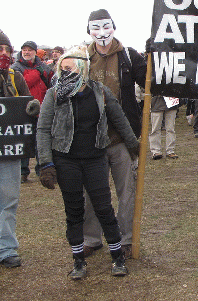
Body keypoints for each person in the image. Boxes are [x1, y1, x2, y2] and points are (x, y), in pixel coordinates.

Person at [37, 46, 139, 279]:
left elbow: (119, 119)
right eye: (61, 69)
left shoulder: (100, 92)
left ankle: (117, 258)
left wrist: (134, 146)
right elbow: (43, 129)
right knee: (74, 210)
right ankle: (78, 262)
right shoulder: (54, 95)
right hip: (65, 160)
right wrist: (46, 164)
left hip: (94, 158)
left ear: (82, 68)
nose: (64, 73)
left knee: (104, 208)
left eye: (69, 68)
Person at [83, 9, 146, 259]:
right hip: (90, 139)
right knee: (91, 192)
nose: (101, 32)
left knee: (128, 192)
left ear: (114, 27)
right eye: (95, 28)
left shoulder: (128, 56)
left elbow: (148, 80)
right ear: (88, 30)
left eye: (105, 26)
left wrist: (153, 56)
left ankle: (127, 239)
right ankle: (91, 238)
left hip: (123, 137)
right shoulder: (82, 58)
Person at [0, 31, 38, 269]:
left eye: (6, 49)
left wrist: (33, 107)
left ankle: (6, 247)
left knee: (8, 199)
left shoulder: (15, 75)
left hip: (9, 149)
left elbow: (27, 102)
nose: (3, 54)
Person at [11, 40, 54, 183]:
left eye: (29, 50)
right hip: (22, 109)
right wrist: (37, 73)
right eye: (24, 49)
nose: (26, 52)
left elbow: (51, 82)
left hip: (42, 108)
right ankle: (23, 172)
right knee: (22, 140)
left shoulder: (43, 66)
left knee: (40, 141)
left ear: (35, 52)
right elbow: (25, 83)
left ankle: (41, 169)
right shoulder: (16, 67)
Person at [149, 95, 179, 160]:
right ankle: (156, 151)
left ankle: (170, 151)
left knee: (170, 129)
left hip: (172, 103)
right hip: (156, 103)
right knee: (155, 129)